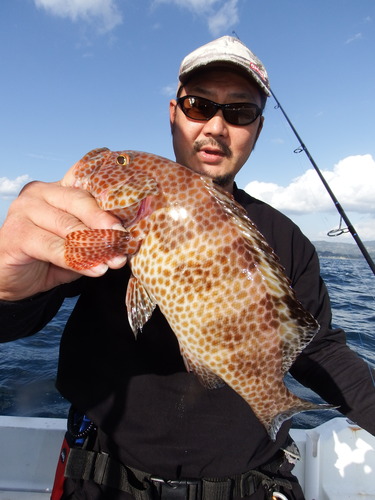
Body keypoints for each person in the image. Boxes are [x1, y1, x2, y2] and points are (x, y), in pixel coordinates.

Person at [0, 36, 374, 500]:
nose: (216, 126)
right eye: (199, 105)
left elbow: (319, 349)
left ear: (257, 128)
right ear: (174, 112)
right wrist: (7, 289)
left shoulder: (287, 241)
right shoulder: (93, 221)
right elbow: (14, 322)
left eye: (239, 112)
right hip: (102, 481)